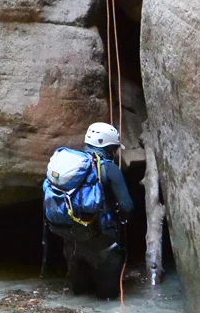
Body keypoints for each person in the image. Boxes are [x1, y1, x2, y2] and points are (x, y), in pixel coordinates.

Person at [45, 122, 134, 300]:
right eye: (114, 148)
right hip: (102, 242)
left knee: (79, 296)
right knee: (108, 299)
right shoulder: (109, 168)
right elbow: (127, 207)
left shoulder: (70, 167)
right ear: (108, 147)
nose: (115, 151)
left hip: (71, 240)